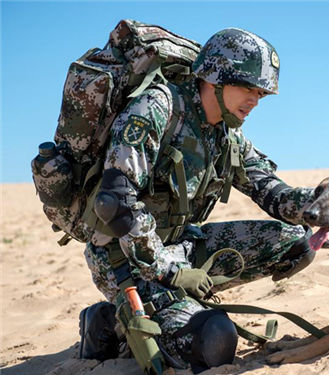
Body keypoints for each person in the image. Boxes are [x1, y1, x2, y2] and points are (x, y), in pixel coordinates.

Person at [80, 27, 316, 372]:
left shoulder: (226, 133)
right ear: (215, 79)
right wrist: (171, 273)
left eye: (261, 93)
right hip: (125, 258)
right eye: (248, 88)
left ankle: (166, 306)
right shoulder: (157, 107)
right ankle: (106, 325)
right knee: (213, 340)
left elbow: (274, 194)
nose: (255, 100)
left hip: (179, 247)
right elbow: (115, 203)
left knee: (297, 244)